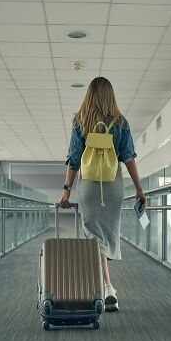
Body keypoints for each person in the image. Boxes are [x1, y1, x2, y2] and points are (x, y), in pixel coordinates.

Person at [59, 76, 146, 312]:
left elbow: (74, 160)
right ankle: (107, 285)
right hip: (113, 186)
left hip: (89, 186)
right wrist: (139, 190)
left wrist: (66, 191)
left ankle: (107, 286)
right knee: (105, 236)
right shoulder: (121, 122)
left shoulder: (81, 121)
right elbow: (129, 158)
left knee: (94, 237)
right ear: (111, 95)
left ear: (89, 95)